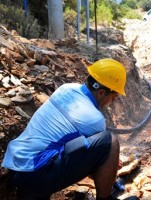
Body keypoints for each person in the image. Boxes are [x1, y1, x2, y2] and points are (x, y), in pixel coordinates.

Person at [1, 58, 139, 200]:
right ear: (101, 93)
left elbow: (78, 152)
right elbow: (91, 163)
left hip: (16, 165)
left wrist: (104, 162)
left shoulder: (66, 88)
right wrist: (109, 167)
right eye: (113, 97)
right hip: (35, 174)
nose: (112, 102)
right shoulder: (95, 119)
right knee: (110, 140)